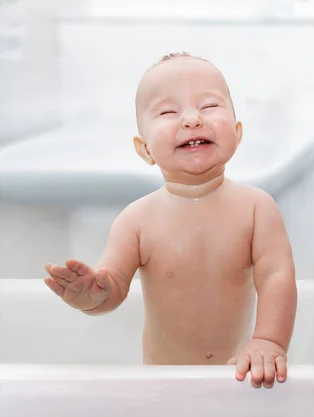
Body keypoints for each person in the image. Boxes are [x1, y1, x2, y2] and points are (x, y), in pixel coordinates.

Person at [44, 52, 298, 389]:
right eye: (168, 111)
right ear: (145, 148)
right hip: (162, 387)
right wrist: (91, 296)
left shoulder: (257, 209)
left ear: (237, 133)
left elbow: (277, 278)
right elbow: (112, 286)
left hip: (237, 380)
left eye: (209, 106)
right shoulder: (136, 220)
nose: (192, 119)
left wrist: (269, 340)